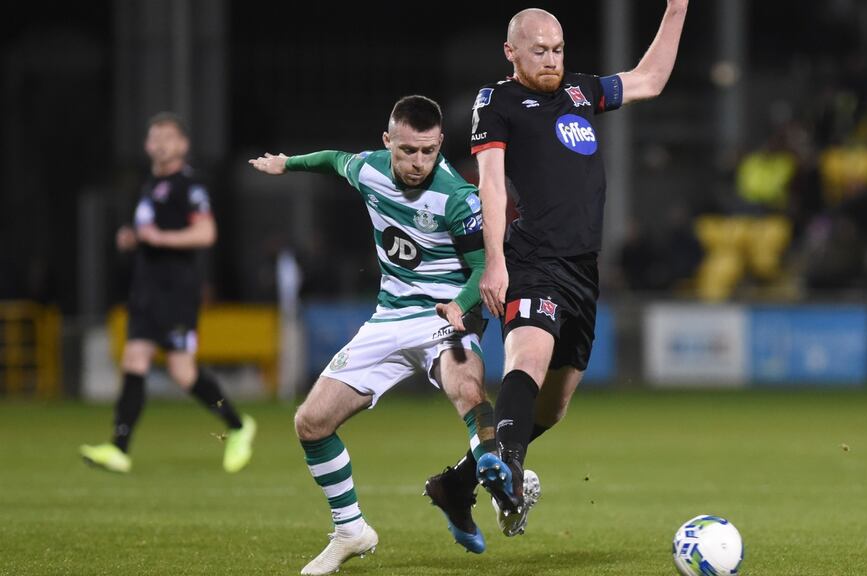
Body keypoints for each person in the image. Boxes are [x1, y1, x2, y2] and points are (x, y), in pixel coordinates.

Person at [461, 1, 691, 537]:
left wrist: (677, 8)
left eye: (558, 49)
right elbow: (490, 184)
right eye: (538, 50)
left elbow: (650, 80)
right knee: (528, 358)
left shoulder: (582, 92)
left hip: (582, 270)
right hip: (532, 259)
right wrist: (495, 263)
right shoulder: (498, 102)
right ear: (511, 52)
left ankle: (464, 478)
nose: (551, 59)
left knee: (555, 405)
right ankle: (511, 480)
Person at [248, 95, 501, 574]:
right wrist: (288, 164)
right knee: (310, 421)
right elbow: (333, 160)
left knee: (468, 389)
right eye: (408, 151)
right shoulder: (369, 169)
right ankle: (351, 530)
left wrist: (458, 306)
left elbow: (483, 269)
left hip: (441, 319)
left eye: (428, 151)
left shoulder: (458, 198)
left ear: (440, 143)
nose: (418, 162)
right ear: (388, 142)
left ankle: (493, 468)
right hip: (386, 320)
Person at [80, 113, 256, 474]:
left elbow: (206, 234)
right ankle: (119, 449)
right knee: (134, 360)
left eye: (168, 137)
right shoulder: (148, 185)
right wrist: (132, 238)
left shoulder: (189, 186)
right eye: (154, 137)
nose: (160, 143)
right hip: (145, 289)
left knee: (182, 372)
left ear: (182, 145)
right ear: (146, 145)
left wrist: (159, 238)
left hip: (176, 290)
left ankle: (238, 427)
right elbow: (151, 232)